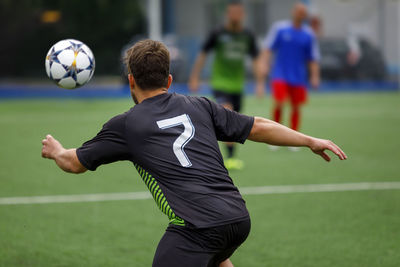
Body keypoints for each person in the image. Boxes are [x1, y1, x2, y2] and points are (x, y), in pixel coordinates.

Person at [41, 40, 347, 267]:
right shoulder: (200, 105)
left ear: (131, 81)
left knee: (203, 247)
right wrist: (309, 140)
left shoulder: (126, 124)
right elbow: (258, 126)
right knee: (215, 256)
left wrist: (56, 151)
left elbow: (74, 163)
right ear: (169, 81)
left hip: (197, 228)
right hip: (237, 218)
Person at [188, 0, 263, 170]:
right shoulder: (217, 33)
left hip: (238, 86)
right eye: (232, 13)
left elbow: (257, 59)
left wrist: (260, 83)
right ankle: (227, 158)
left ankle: (230, 156)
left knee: (234, 121)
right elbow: (202, 55)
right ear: (227, 14)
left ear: (242, 15)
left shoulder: (248, 35)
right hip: (220, 82)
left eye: (238, 13)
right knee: (227, 115)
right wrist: (194, 77)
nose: (235, 16)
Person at [258, 2, 321, 151]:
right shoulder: (280, 29)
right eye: (298, 11)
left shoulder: (308, 34)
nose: (300, 14)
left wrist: (315, 76)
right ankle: (273, 137)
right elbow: (268, 49)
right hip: (280, 74)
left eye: (303, 12)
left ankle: (294, 138)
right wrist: (264, 64)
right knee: (279, 102)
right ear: (293, 12)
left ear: (305, 15)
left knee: (296, 107)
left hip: (298, 77)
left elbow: (313, 58)